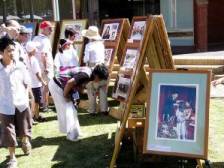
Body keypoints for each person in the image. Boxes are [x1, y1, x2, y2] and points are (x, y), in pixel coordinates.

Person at [48, 64, 108, 141]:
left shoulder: (89, 73)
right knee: (68, 109)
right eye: (100, 79)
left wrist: (89, 91)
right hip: (56, 85)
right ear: (96, 75)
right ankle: (71, 135)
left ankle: (76, 132)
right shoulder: (86, 74)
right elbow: (70, 82)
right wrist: (65, 95)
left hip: (62, 85)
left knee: (73, 109)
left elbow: (79, 87)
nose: (99, 81)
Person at [0, 36, 32, 168]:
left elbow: (27, 82)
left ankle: (25, 141)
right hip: (4, 105)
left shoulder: (20, 65)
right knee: (8, 131)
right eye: (8, 50)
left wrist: (27, 96)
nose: (12, 53)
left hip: (21, 103)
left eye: (13, 50)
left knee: (24, 129)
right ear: (1, 52)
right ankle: (12, 158)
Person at [82, 26, 109, 115]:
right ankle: (104, 110)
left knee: (91, 89)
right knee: (102, 89)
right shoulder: (101, 44)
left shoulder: (88, 46)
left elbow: (86, 59)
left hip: (93, 69)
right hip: (102, 68)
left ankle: (92, 110)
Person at [33, 21, 54, 112]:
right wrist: (46, 68)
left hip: (37, 66)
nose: (51, 30)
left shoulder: (35, 38)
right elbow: (44, 55)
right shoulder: (45, 40)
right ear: (44, 28)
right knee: (46, 87)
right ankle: (44, 106)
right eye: (49, 28)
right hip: (45, 67)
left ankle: (40, 105)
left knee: (39, 86)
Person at [26, 41, 47, 122]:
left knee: (31, 101)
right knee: (37, 102)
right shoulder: (34, 59)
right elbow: (37, 74)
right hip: (35, 84)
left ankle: (32, 116)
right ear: (32, 50)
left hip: (29, 84)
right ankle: (36, 116)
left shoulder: (24, 57)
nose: (36, 50)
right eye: (35, 48)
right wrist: (42, 81)